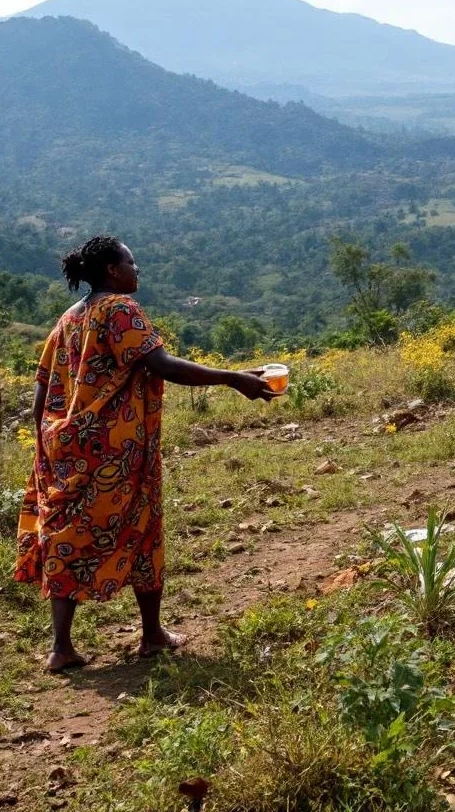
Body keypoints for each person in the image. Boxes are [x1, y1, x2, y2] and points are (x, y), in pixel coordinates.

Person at [14, 236, 275, 670]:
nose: (138, 270)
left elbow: (42, 389)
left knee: (65, 535)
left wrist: (46, 446)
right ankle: (152, 634)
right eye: (132, 262)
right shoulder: (120, 310)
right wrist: (233, 378)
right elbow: (163, 366)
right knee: (142, 528)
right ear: (113, 271)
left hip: (65, 447)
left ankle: (62, 647)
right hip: (117, 449)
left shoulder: (68, 319)